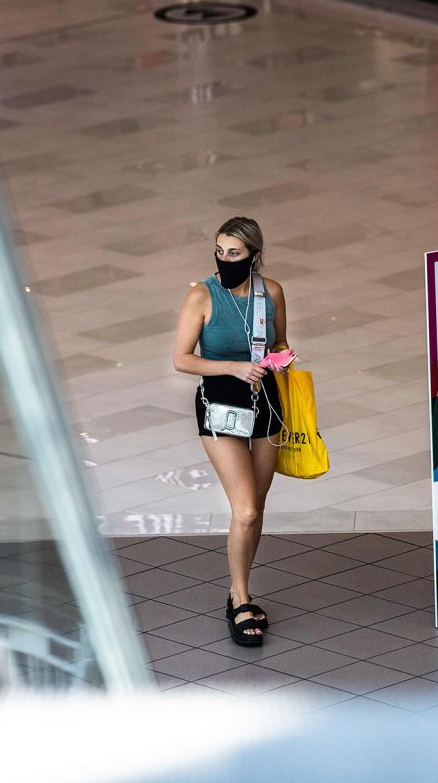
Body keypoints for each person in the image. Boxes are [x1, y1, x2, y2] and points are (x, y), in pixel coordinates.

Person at [173, 217, 291, 646]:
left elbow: (278, 343)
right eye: (220, 252)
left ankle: (238, 589)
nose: (226, 261)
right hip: (220, 405)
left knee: (255, 507)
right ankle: (240, 598)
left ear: (254, 256)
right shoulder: (202, 295)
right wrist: (232, 366)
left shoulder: (271, 292)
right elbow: (182, 359)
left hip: (266, 404)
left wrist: (281, 356)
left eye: (234, 254)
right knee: (243, 509)